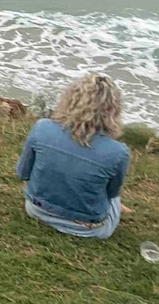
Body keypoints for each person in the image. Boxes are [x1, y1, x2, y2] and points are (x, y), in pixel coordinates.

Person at [16, 74, 130, 239]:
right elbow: (112, 193)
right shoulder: (118, 152)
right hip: (89, 228)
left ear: (70, 99)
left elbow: (23, 173)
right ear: (113, 110)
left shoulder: (42, 127)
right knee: (112, 197)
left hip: (37, 210)